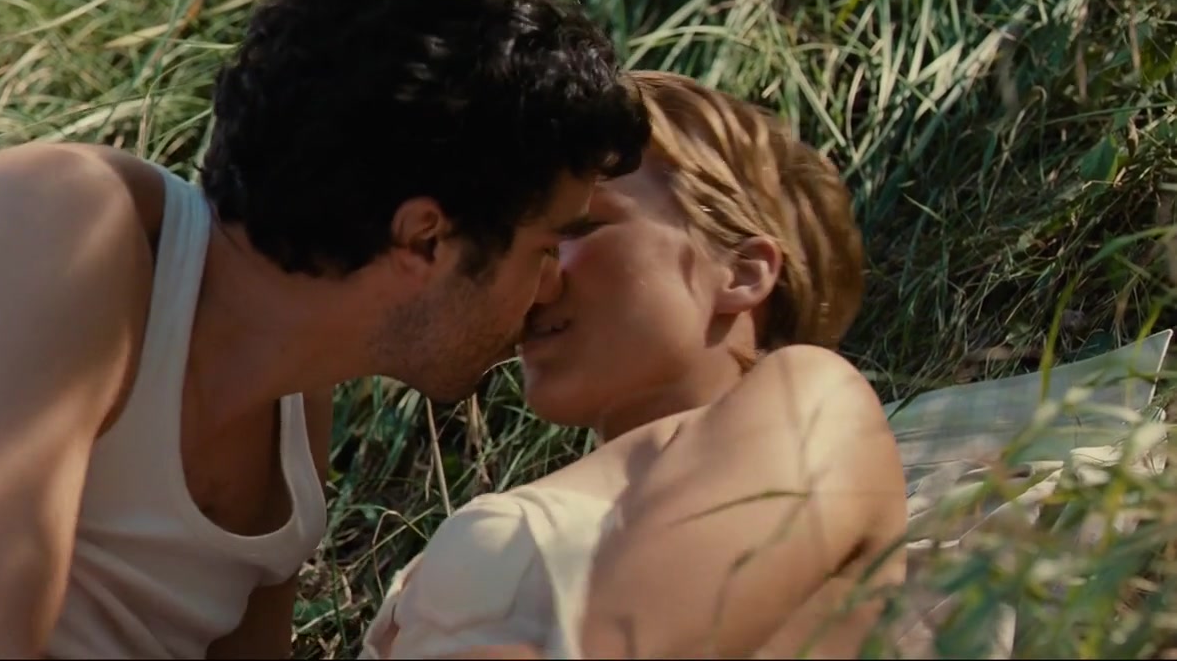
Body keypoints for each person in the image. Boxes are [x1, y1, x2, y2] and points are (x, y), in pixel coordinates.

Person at [0, 0, 651, 658]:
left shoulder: (297, 409)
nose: (553, 282)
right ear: (424, 239)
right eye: (545, 247)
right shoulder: (58, 225)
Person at [361, 71, 909, 659]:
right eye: (528, 246)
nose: (535, 283)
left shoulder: (815, 397)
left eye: (578, 230)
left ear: (742, 271)